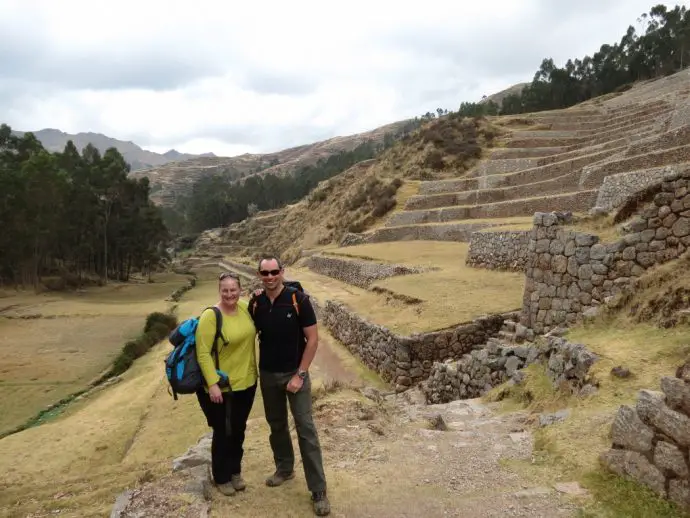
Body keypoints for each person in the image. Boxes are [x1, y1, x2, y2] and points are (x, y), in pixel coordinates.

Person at [248, 255, 331, 516]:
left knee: (306, 428)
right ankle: (285, 468)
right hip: (268, 375)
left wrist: (300, 374)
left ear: (282, 272)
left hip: (295, 375)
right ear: (259, 274)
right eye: (265, 273)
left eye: (274, 272)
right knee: (276, 425)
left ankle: (318, 490)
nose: (270, 277)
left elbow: (313, 340)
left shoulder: (299, 300)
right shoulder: (256, 303)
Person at [195, 271, 258, 496]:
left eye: (233, 290)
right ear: (219, 291)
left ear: (240, 289)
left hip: (247, 382)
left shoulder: (244, 307)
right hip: (221, 386)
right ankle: (221, 477)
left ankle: (235, 472)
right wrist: (212, 383)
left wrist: (259, 294)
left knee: (238, 431)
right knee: (223, 432)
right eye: (225, 290)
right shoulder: (211, 316)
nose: (230, 294)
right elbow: (202, 353)